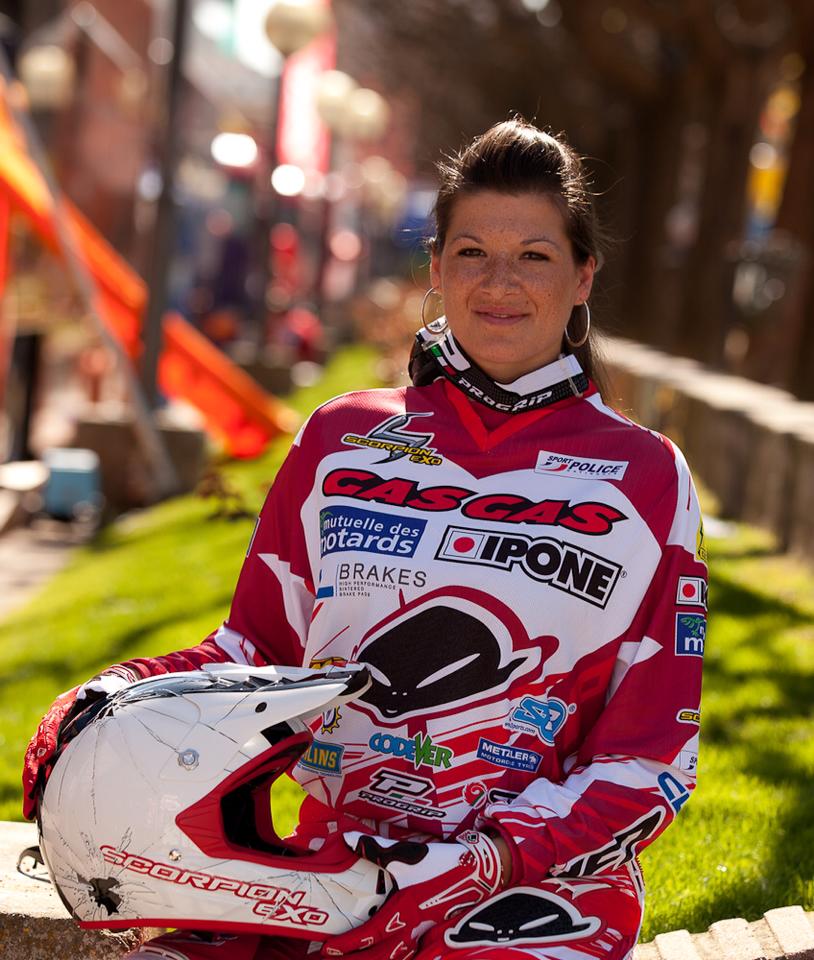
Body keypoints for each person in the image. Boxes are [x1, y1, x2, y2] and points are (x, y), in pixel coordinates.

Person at [23, 119, 706, 960]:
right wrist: (112, 694)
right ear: (436, 269)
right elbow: (254, 651)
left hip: (534, 896)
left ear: (582, 275)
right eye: (471, 253)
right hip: (331, 882)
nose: (499, 283)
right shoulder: (341, 437)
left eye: (533, 255)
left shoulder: (645, 475)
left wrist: (482, 862)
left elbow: (651, 761)